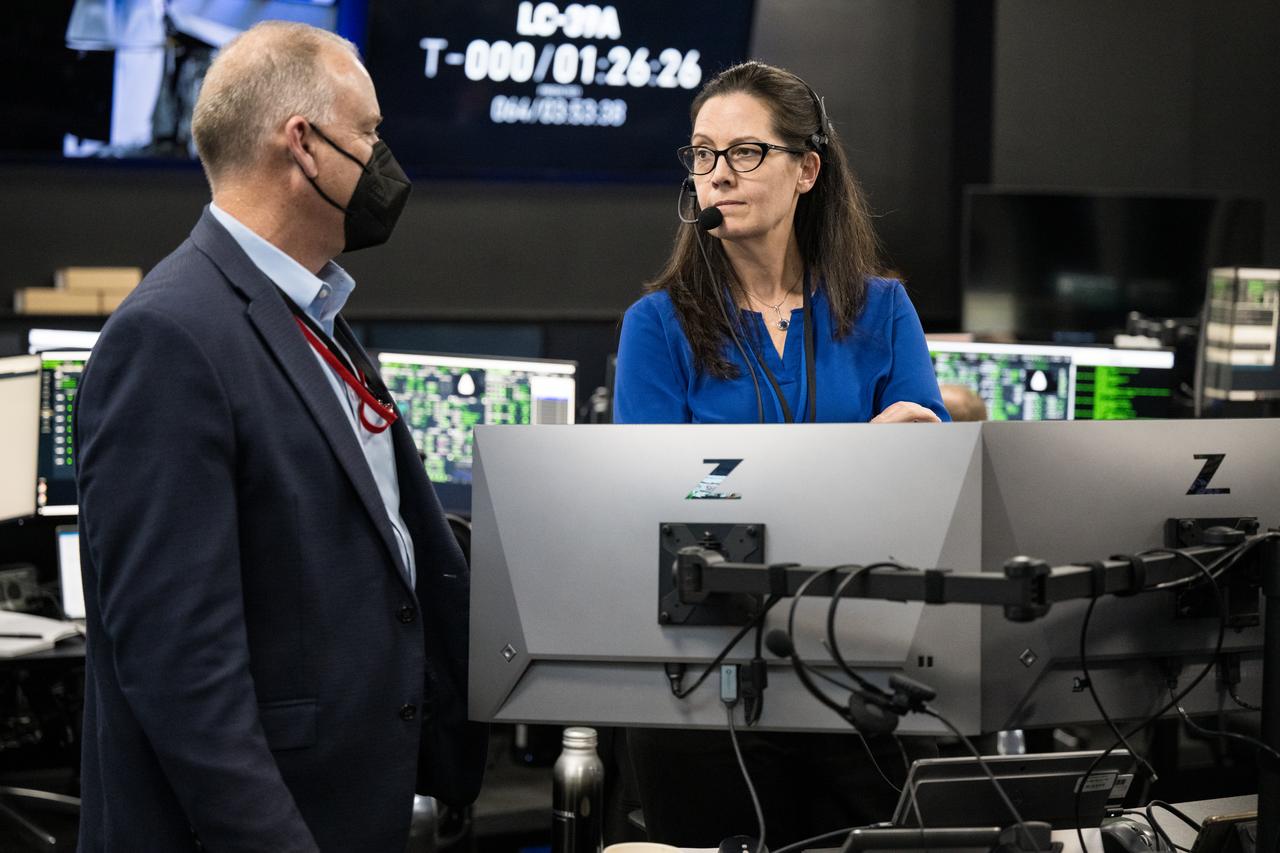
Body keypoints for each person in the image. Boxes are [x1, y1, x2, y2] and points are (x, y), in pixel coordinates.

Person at [74, 21, 486, 850]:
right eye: (368, 133)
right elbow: (182, 671)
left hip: (352, 804)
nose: (382, 159)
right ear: (304, 145)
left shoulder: (311, 315)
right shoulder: (171, 336)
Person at [613, 61, 948, 846]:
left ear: (807, 170)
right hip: (705, 674)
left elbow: (926, 481)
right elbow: (658, 506)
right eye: (702, 154)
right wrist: (857, 461)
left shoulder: (884, 310)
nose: (717, 175)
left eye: (745, 152)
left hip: (862, 669)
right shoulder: (657, 326)